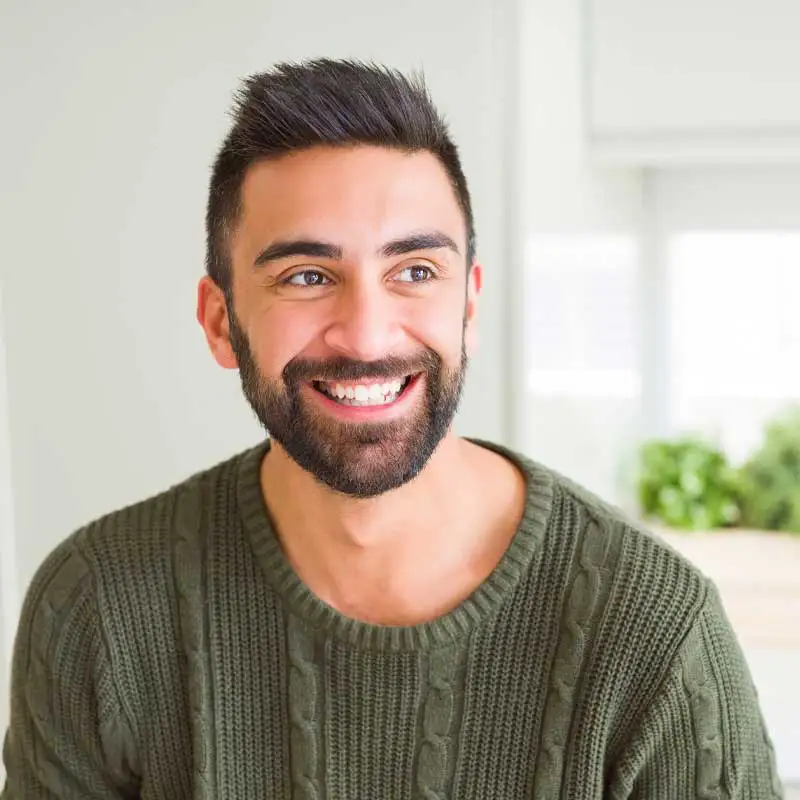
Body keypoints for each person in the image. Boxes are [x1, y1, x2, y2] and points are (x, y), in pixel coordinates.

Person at [1, 59, 783, 799]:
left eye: (415, 271)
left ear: (469, 306)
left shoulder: (654, 627)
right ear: (219, 320)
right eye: (307, 277)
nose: (368, 335)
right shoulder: (97, 606)